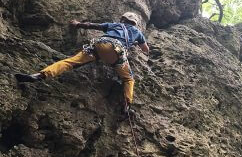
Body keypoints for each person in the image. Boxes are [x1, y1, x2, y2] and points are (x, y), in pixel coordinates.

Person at [15, 12, 150, 114]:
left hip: (98, 45)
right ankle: (127, 106)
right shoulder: (137, 32)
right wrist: (137, 43)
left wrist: (77, 23)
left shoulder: (114, 25)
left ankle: (40, 75)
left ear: (123, 19)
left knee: (70, 61)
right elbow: (145, 50)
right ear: (134, 23)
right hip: (116, 50)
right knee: (128, 79)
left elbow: (92, 26)